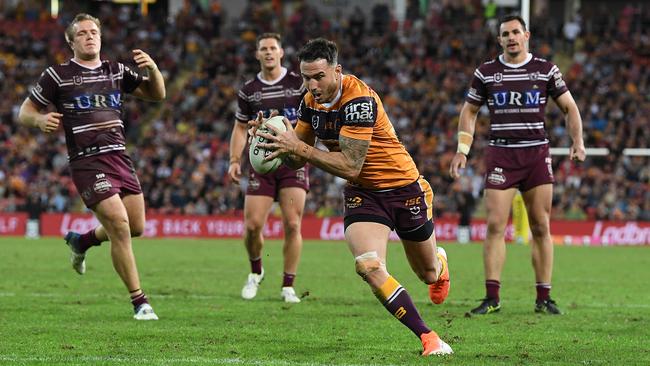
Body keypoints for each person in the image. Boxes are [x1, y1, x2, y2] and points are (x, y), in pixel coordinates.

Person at [256, 38, 453, 356]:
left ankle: (441, 266)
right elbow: (297, 158)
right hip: (364, 194)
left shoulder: (358, 99)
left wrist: (299, 147)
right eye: (307, 77)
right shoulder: (310, 102)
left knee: (427, 273)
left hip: (403, 188)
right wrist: (271, 141)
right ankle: (429, 337)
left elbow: (349, 165)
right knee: (369, 266)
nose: (313, 85)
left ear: (337, 70)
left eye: (319, 76)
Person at [18, 13, 165, 320]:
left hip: (119, 157)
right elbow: (25, 112)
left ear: (100, 37)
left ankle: (81, 240)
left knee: (136, 226)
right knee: (120, 227)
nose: (89, 36)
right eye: (82, 33)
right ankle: (140, 302)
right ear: (71, 42)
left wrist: (152, 69)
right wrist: (40, 119)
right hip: (87, 161)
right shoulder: (57, 75)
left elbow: (157, 95)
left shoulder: (116, 70)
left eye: (94, 31)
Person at [449, 14, 586, 316]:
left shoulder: (545, 70)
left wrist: (578, 142)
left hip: (536, 154)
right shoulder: (486, 73)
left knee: (541, 226)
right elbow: (469, 111)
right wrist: (462, 150)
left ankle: (544, 298)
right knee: (496, 224)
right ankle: (492, 297)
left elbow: (570, 107)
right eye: (505, 34)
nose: (511, 37)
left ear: (527, 35)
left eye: (515, 32)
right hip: (501, 154)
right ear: (499, 40)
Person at [228, 33, 308, 303]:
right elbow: (240, 127)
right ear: (257, 54)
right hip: (260, 162)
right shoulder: (249, 90)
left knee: (293, 223)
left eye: (273, 48)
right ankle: (256, 271)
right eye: (264, 49)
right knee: (251, 226)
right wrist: (234, 160)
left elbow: (311, 118)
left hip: (291, 161)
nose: (269, 52)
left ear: (282, 52)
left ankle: (288, 286)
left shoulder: (299, 84)